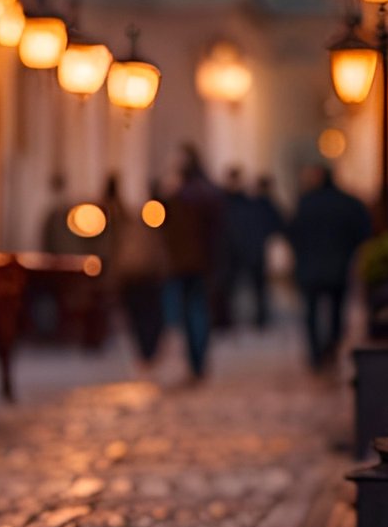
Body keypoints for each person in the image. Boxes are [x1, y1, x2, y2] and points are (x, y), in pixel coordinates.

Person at [288, 164, 374, 371]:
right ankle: (332, 348)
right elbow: (364, 230)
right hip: (338, 265)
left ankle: (316, 355)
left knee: (311, 312)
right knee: (336, 311)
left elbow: (292, 232)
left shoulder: (306, 203)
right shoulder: (347, 202)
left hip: (310, 267)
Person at [161, 145, 226, 379]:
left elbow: (167, 231)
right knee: (199, 311)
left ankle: (195, 359)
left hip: (185, 263)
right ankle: (198, 360)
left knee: (191, 312)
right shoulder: (210, 195)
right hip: (203, 262)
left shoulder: (179, 197)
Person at [104, 173, 167, 366]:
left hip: (140, 273)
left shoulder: (138, 224)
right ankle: (147, 350)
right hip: (139, 274)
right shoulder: (131, 224)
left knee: (143, 314)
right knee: (145, 315)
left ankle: (147, 350)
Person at [224, 170, 286, 328]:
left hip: (248, 250)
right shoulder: (240, 203)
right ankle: (238, 318)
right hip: (240, 250)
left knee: (254, 288)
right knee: (238, 288)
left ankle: (258, 318)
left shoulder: (248, 203)